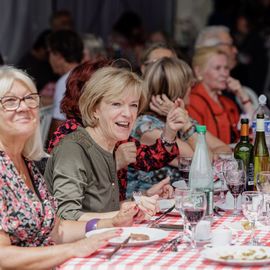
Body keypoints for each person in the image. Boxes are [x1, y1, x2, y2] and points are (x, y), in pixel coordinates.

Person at [0, 66, 136, 269]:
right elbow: (3, 256)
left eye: (30, 99)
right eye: (10, 101)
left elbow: (57, 229)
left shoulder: (26, 164)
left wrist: (111, 223)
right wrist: (74, 249)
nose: (23, 107)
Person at [45, 66, 183, 221]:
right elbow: (66, 215)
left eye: (133, 105)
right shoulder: (73, 149)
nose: (128, 113)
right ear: (94, 109)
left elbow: (104, 209)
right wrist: (127, 212)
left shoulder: (111, 144)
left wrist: (144, 197)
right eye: (116, 104)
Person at [127, 57, 230, 197]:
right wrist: (187, 125)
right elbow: (204, 163)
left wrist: (185, 122)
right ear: (178, 91)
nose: (191, 90)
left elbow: (225, 149)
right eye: (189, 85)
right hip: (151, 207)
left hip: (180, 201)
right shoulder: (146, 127)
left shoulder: (182, 119)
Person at [187, 46, 254, 144]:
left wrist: (243, 95)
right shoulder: (191, 102)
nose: (224, 74)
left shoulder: (227, 103)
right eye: (217, 68)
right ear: (198, 72)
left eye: (226, 68)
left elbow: (250, 136)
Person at [47, 29, 84, 135]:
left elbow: (58, 125)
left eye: (50, 53)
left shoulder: (66, 81)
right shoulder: (87, 73)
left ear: (58, 55)